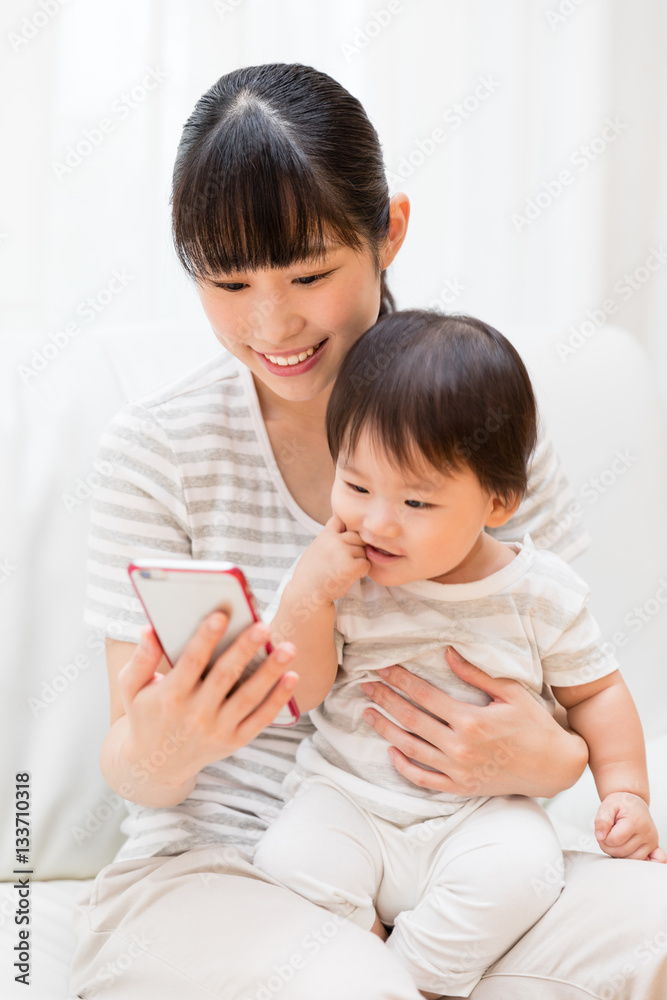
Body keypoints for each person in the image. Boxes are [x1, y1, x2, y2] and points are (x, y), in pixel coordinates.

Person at [70, 63, 667, 1000]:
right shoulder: (157, 451)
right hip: (218, 867)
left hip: (468, 850)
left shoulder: (480, 425)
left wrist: (558, 762)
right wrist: (175, 737)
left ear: (386, 231)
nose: (272, 323)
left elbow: (563, 695)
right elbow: (138, 774)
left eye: (310, 273)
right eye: (226, 283)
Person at [253, 310, 665, 998]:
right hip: (349, 800)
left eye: (415, 499)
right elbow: (304, 687)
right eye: (356, 486)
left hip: (480, 815)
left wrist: (624, 790)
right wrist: (309, 595)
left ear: (496, 502)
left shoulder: (538, 593)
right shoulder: (341, 574)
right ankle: (360, 956)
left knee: (523, 872)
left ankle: (418, 975)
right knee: (287, 861)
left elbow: (594, 693)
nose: (376, 520)